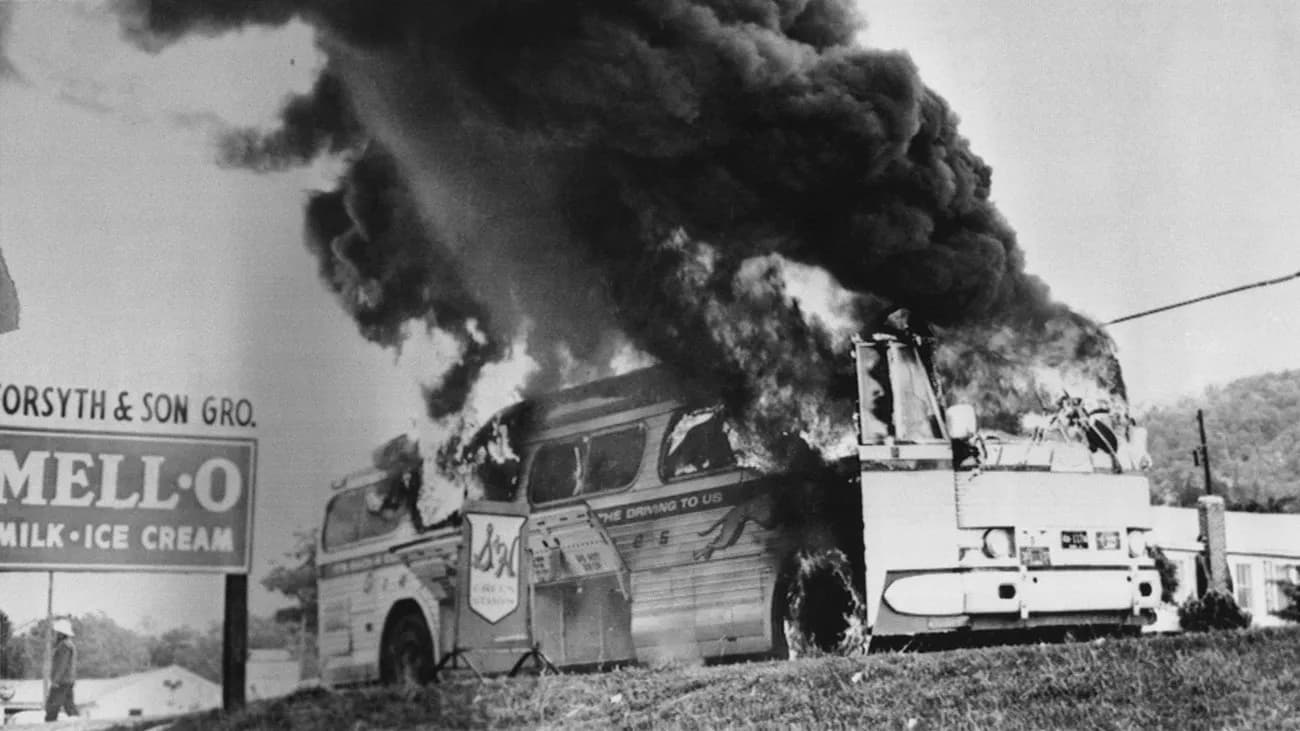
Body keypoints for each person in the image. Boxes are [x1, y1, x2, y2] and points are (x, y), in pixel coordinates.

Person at [45, 618, 79, 722]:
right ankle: (81, 726)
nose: (55, 634)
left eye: (57, 632)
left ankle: (48, 728)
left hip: (61, 681)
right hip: (68, 681)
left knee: (51, 707)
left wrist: (55, 681)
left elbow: (61, 665)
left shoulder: (64, 646)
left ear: (61, 633)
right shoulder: (69, 644)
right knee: (70, 708)